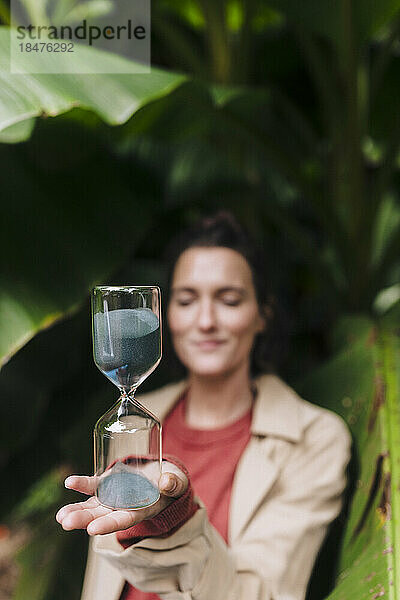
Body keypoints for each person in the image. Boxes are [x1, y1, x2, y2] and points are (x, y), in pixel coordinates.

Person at [56, 212, 351, 600]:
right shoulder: (136, 415)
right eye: (187, 300)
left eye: (229, 300)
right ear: (165, 317)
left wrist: (175, 521)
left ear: (263, 314)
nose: (206, 320)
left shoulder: (316, 439)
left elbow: (264, 593)